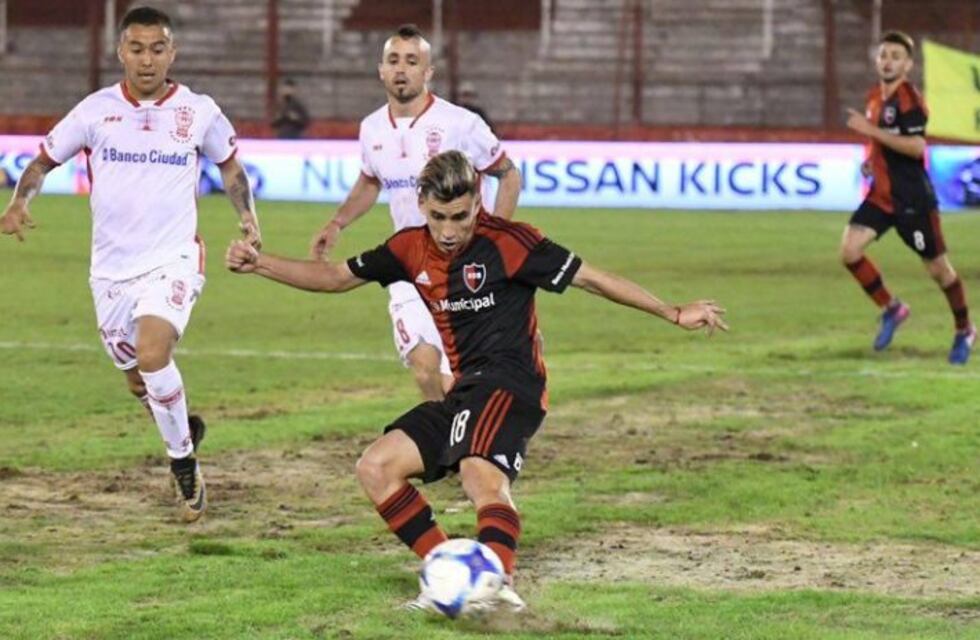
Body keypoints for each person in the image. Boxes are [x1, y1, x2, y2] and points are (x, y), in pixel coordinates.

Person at [226, 150, 727, 611]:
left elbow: (591, 277)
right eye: (438, 216)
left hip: (514, 382)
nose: (448, 230)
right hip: (467, 386)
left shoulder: (511, 243)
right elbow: (335, 277)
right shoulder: (408, 248)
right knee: (377, 467)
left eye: (460, 217)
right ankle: (452, 577)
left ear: (478, 203)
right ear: (421, 204)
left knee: (478, 476)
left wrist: (672, 311)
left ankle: (496, 582)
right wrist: (260, 264)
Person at [0, 6, 262, 521]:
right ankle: (183, 425)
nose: (147, 60)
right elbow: (42, 161)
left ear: (172, 52)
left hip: (174, 258)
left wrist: (248, 218)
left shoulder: (198, 111)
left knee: (152, 351)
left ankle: (183, 465)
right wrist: (20, 201)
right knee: (139, 380)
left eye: (157, 49)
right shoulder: (95, 111)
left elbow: (230, 165)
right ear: (121, 52)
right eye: (137, 49)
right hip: (111, 272)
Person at [309, 24, 522, 402]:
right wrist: (338, 222)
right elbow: (370, 181)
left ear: (428, 72)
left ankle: (461, 440)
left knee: (462, 374)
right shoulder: (371, 127)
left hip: (461, 265)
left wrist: (494, 239)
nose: (401, 69)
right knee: (424, 367)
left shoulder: (460, 123)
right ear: (381, 70)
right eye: (393, 60)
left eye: (412, 61)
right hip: (408, 264)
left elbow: (507, 174)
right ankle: (444, 447)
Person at [841, 30, 974, 364]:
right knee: (850, 250)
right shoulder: (875, 98)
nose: (888, 61)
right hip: (881, 196)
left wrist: (870, 132)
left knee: (939, 271)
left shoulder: (909, 99)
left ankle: (964, 330)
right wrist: (871, 164)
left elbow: (916, 147)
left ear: (908, 65)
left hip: (912, 200)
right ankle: (893, 308)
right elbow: (882, 144)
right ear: (877, 60)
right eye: (884, 55)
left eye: (896, 56)